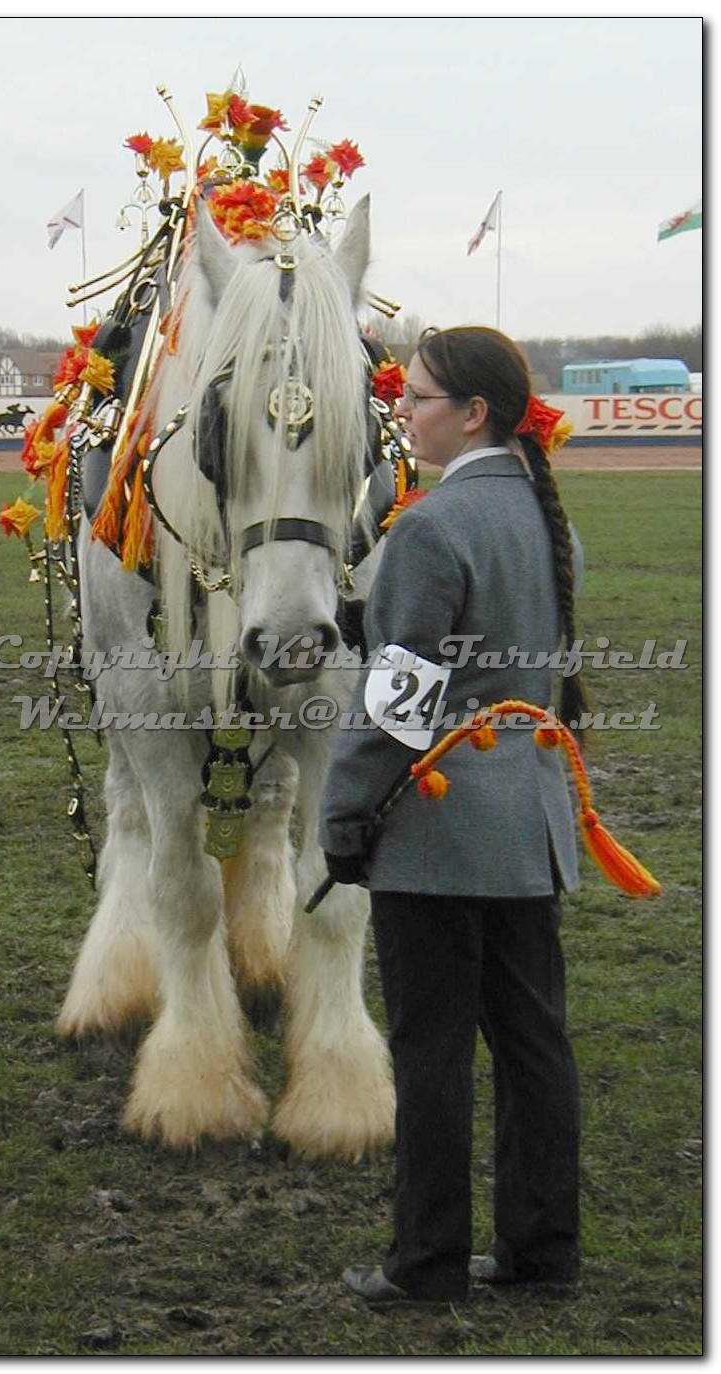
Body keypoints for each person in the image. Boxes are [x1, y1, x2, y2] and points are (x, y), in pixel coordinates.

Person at [318, 325, 587, 1310]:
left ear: (471, 413)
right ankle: (540, 1250)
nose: (405, 412)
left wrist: (345, 817)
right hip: (529, 824)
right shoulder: (551, 522)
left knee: (428, 1054)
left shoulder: (431, 526)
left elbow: (400, 706)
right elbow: (488, 653)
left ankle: (424, 1263)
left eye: (419, 398)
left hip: (434, 832)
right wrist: (368, 618)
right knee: (532, 1046)